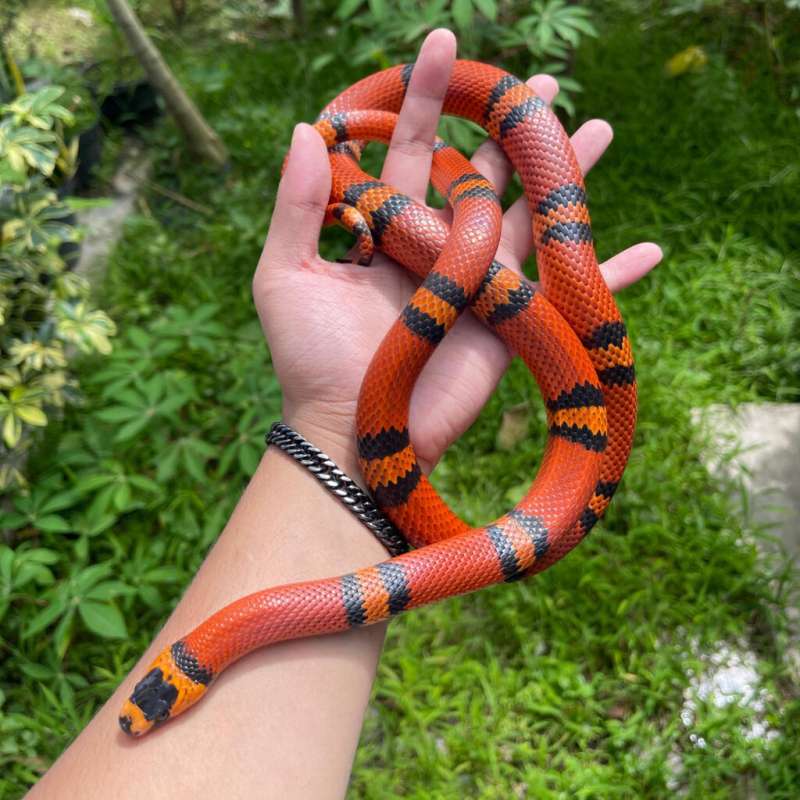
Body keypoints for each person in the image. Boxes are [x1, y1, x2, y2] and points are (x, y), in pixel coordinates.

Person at [26, 29, 661, 800]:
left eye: (150, 697)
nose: (143, 710)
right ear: (178, 676)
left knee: (505, 185)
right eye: (155, 701)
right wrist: (461, 211)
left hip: (456, 266)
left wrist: (443, 200)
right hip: (457, 295)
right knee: (542, 512)